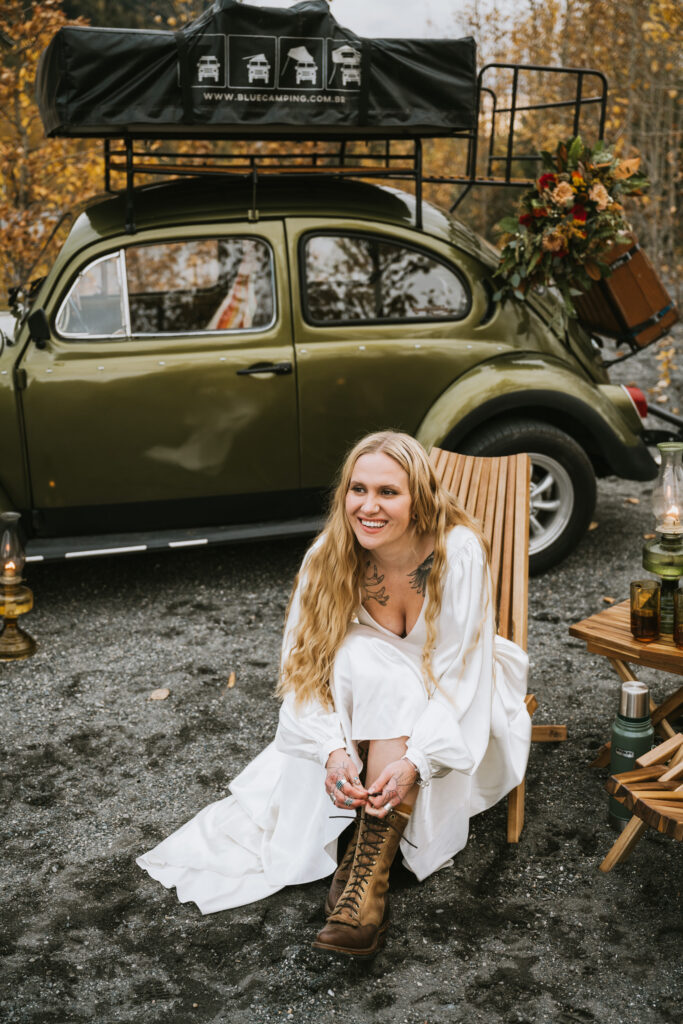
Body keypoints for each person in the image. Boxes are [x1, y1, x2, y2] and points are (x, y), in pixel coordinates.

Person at [137, 431, 531, 958]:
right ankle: (366, 871)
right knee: (358, 656)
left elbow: (461, 677)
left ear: (421, 499)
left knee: (381, 672)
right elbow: (302, 669)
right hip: (370, 691)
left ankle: (367, 870)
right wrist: (331, 750)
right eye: (357, 489)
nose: (368, 507)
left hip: (457, 692)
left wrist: (417, 759)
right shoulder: (329, 554)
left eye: (388, 492)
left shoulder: (457, 552)